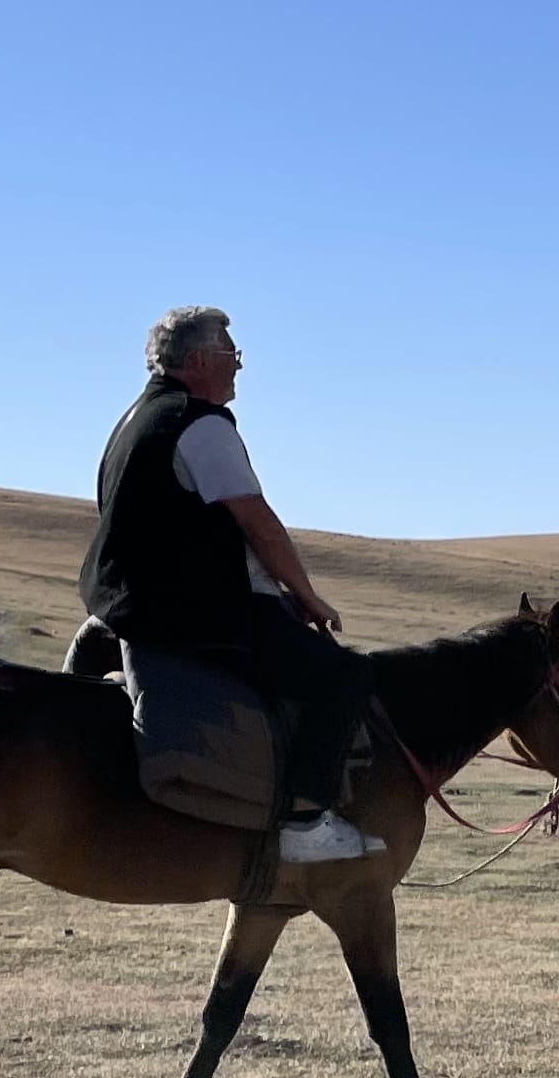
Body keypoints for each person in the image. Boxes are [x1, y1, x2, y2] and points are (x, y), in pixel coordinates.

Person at [80, 306, 385, 863]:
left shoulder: (133, 420)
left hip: (126, 603)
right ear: (198, 360)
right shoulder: (201, 425)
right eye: (232, 354)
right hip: (192, 612)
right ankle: (306, 820)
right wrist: (309, 597)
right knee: (344, 675)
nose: (239, 367)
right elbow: (257, 521)